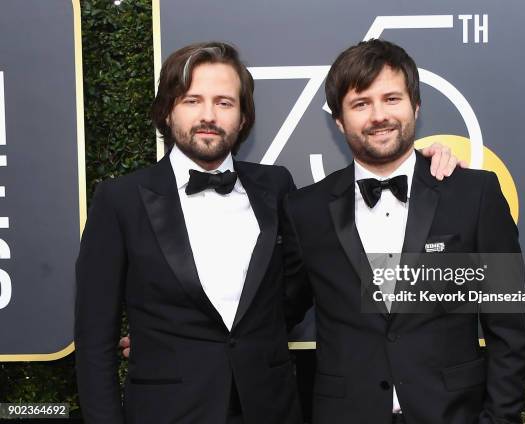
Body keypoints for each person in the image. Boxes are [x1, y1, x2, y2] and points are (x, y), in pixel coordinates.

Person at [76, 41, 460, 424]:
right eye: (192, 100)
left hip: (271, 408)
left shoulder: (277, 189)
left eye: (225, 102)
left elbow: (307, 290)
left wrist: (419, 169)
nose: (208, 115)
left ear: (243, 117)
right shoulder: (120, 200)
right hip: (167, 412)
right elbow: (94, 340)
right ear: (167, 111)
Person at [282, 39, 525, 424]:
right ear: (338, 121)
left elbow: (509, 329)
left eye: (392, 99)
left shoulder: (474, 195)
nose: (379, 115)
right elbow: (275, 314)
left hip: (453, 414)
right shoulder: (306, 209)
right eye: (360, 104)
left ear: (416, 105)